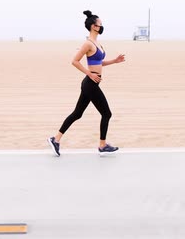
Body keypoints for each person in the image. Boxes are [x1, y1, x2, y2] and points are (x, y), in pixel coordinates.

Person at [47, 10, 126, 156]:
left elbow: (99, 62)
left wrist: (114, 61)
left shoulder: (97, 43)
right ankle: (102, 145)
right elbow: (74, 61)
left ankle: (55, 139)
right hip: (90, 83)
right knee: (107, 113)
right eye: (100, 24)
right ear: (93, 27)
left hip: (91, 84)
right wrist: (89, 73)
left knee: (77, 113)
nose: (102, 27)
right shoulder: (87, 44)